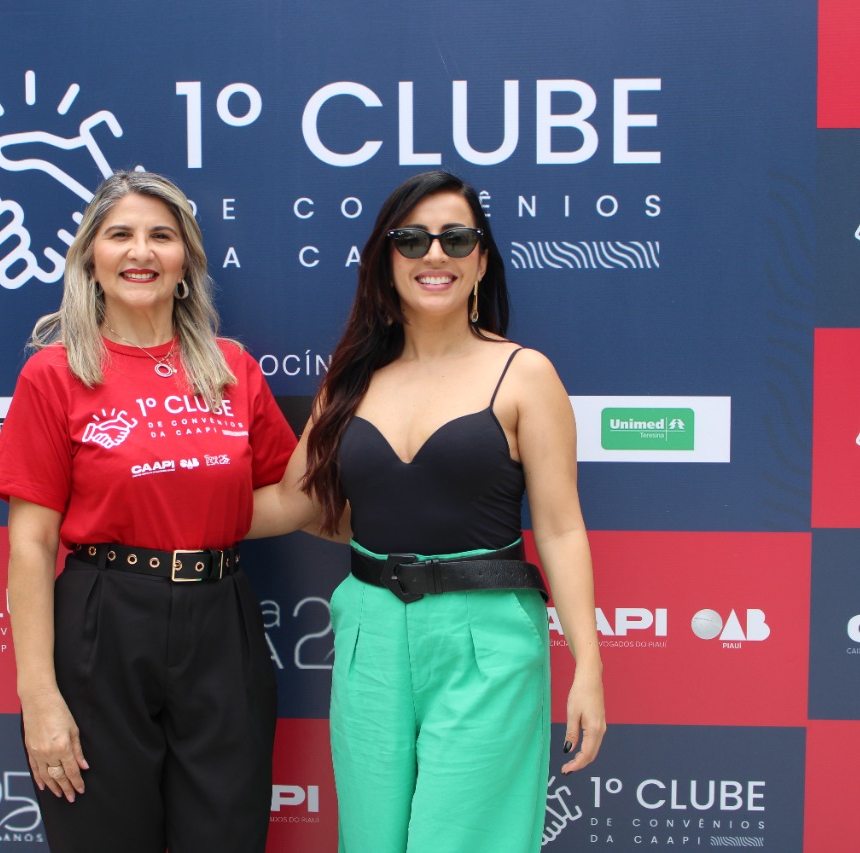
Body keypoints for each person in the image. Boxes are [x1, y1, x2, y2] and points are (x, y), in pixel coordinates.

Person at [250, 170, 606, 853]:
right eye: (411, 240)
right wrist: (166, 512)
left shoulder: (525, 374)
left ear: (482, 260)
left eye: (456, 238)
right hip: (370, 632)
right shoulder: (351, 380)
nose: (434, 254)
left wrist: (588, 664)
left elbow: (561, 528)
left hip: (486, 638)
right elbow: (296, 501)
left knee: (464, 840)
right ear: (386, 261)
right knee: (371, 841)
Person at [0, 170, 296, 853]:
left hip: (222, 621)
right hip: (103, 622)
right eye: (120, 234)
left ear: (186, 260)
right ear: (90, 258)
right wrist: (39, 696)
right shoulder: (53, 374)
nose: (141, 252)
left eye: (162, 235)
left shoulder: (232, 369)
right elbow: (31, 544)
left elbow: (282, 498)